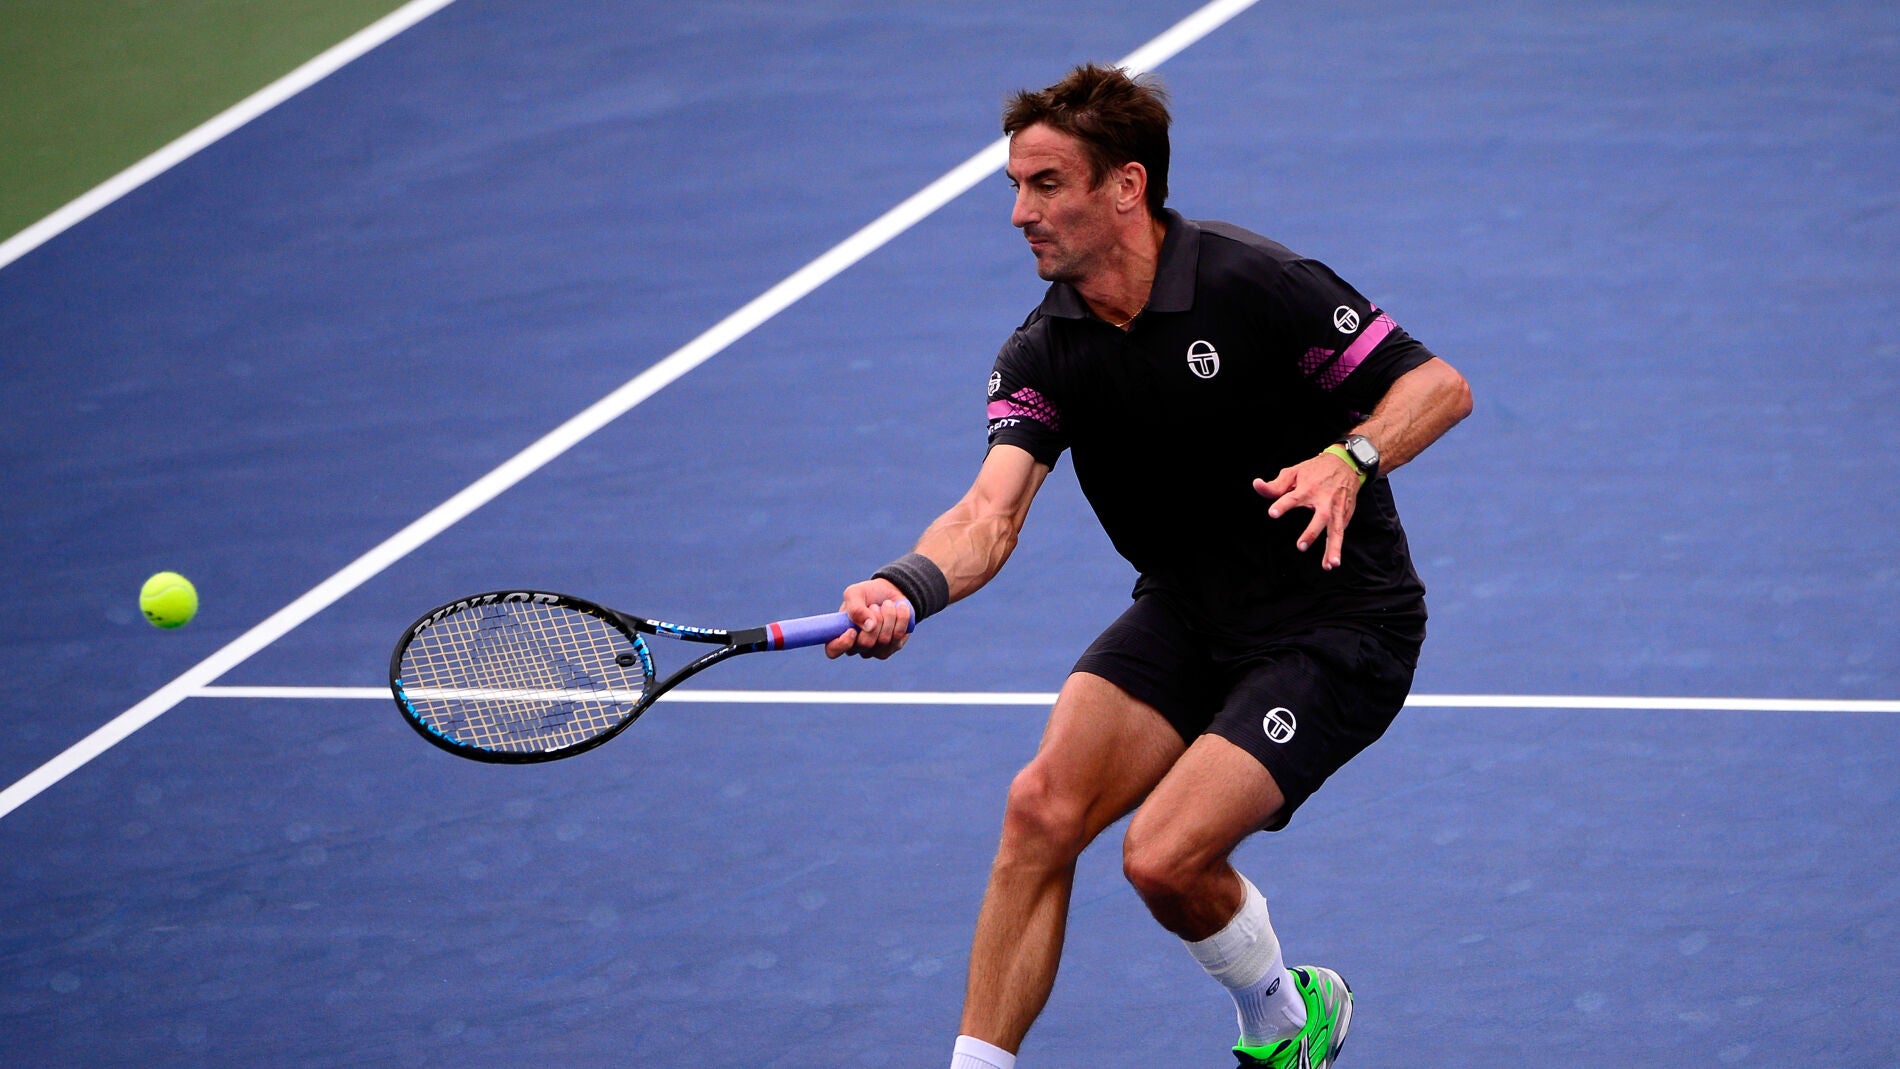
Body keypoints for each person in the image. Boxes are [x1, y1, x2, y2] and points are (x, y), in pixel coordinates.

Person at [825, 63, 1472, 1069]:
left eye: (1046, 184)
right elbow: (988, 515)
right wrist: (903, 585)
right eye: (1015, 185)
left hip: (1338, 623)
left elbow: (1436, 385)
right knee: (1039, 808)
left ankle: (1287, 1013)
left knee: (1164, 857)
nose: (1018, 214)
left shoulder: (1253, 284)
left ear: (1126, 185)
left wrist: (1352, 458)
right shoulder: (1044, 352)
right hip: (1188, 612)